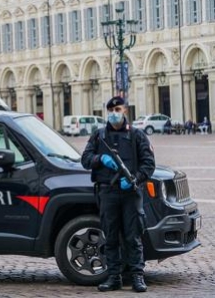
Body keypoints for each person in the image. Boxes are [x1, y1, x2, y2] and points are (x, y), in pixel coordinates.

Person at [81, 96, 155, 293]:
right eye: (111, 110)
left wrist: (136, 179)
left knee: (133, 236)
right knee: (110, 236)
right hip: (107, 192)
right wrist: (100, 158)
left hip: (130, 192)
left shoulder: (137, 136)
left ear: (125, 111)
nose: (114, 113)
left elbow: (149, 164)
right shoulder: (99, 136)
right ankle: (114, 277)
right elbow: (85, 159)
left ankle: (138, 276)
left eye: (118, 109)